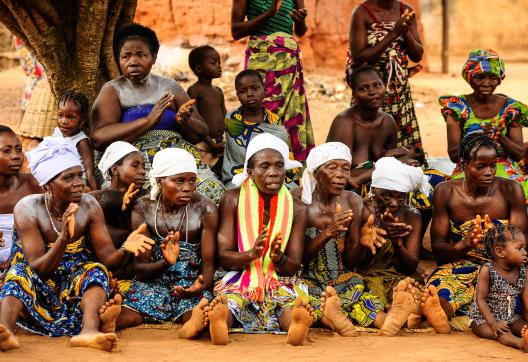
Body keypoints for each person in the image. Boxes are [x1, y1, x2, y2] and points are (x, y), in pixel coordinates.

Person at [0, 137, 155, 352]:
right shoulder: (27, 208)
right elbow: (38, 269)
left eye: (79, 175)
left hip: (74, 272)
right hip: (36, 274)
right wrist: (63, 239)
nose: (79, 183)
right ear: (48, 184)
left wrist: (124, 248)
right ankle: (4, 330)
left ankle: (89, 331)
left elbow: (107, 258)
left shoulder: (89, 205)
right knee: (17, 275)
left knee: (96, 272)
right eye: (68, 178)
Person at [214, 133, 356, 346]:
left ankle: (295, 325)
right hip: (241, 274)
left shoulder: (296, 207)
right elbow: (223, 257)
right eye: (265, 167)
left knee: (288, 303)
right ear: (251, 172)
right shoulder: (232, 199)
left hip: (278, 277)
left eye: (279, 166)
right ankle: (220, 321)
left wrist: (278, 258)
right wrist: (252, 254)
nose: (273, 173)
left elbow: (293, 266)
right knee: (233, 300)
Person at [293, 143, 422, 337]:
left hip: (341, 276)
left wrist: (362, 243)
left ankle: (391, 320)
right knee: (307, 302)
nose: (340, 175)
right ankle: (334, 320)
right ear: (315, 171)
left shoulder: (352, 200)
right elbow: (297, 259)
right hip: (305, 277)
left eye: (345, 169)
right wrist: (327, 233)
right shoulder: (297, 199)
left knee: (358, 296)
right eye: (332, 168)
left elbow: (351, 261)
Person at [91, 23, 224, 203]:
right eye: (126, 56)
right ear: (118, 59)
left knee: (210, 193)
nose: (133, 62)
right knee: (143, 200)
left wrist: (185, 121)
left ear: (154, 57)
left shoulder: (169, 87)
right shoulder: (113, 90)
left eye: (141, 55)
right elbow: (98, 138)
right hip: (136, 163)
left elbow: (201, 132)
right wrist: (147, 120)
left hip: (178, 156)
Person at [106, 148, 217, 340]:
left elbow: (208, 265)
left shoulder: (205, 208)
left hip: (190, 283)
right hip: (154, 279)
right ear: (159, 181)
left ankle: (194, 323)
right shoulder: (143, 209)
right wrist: (165, 262)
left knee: (195, 307)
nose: (187, 187)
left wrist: (199, 285)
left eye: (192, 180)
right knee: (135, 309)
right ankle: (111, 320)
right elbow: (140, 269)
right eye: (179, 180)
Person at [424, 133, 527, 335]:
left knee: (512, 295)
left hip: (506, 266)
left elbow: (524, 242)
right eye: (480, 166)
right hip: (463, 265)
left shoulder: (510, 190)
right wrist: (465, 243)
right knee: (440, 291)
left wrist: (499, 242)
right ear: (463, 164)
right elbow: (438, 248)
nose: (489, 172)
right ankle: (435, 312)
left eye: (493, 165)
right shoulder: (446, 192)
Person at [231, 0, 314, 161]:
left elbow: (300, 31)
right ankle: (260, 163)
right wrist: (269, 14)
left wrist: (300, 21)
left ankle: (291, 170)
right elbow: (236, 31)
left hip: (288, 61)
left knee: (291, 115)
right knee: (260, 110)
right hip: (260, 58)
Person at [440, 49, 528, 199]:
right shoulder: (457, 107)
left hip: (504, 168)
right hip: (470, 168)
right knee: (453, 194)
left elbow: (519, 154)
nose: (486, 83)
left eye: (492, 78)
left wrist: (500, 138)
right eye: (479, 77)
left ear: (499, 79)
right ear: (469, 78)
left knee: (519, 191)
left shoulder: (511, 109)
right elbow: (454, 154)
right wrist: (477, 139)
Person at [347, 0, 423, 147]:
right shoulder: (361, 12)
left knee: (401, 137)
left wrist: (405, 30)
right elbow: (359, 56)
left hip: (399, 89)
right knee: (368, 134)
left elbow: (417, 55)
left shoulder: (406, 10)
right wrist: (394, 33)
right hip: (370, 86)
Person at [326, 66, 408, 194]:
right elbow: (337, 175)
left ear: (384, 86)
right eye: (364, 88)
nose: (372, 92)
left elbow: (389, 161)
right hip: (345, 192)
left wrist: (402, 156)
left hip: (377, 187)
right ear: (354, 94)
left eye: (377, 85)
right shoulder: (345, 122)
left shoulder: (388, 122)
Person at [358, 157, 427, 307]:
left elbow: (410, 267)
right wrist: (379, 233)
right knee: (372, 298)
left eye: (401, 197)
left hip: (399, 276)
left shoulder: (412, 216)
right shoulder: (361, 210)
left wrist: (397, 244)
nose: (395, 203)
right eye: (386, 196)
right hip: (364, 275)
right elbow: (354, 262)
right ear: (373, 189)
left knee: (415, 295)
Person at [222, 70, 298, 188]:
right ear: (237, 96)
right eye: (243, 91)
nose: (250, 94)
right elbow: (238, 154)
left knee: (295, 196)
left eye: (255, 88)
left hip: (273, 176)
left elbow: (283, 155)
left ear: (264, 91)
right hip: (240, 178)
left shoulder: (274, 121)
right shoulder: (232, 119)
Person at [91, 141, 147, 281]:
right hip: (106, 266)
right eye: (135, 165)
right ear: (115, 169)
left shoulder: (146, 196)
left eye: (143, 166)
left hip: (138, 269)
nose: (142, 171)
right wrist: (120, 205)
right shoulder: (96, 197)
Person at [468, 224, 528, 352]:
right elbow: (481, 299)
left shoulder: (523, 271)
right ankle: (521, 344)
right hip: (484, 320)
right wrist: (494, 323)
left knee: (524, 328)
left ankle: (525, 336)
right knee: (502, 334)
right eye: (519, 248)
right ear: (500, 251)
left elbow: (526, 299)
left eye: (525, 248)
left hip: (510, 317)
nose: (525, 253)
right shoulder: (488, 270)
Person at [0, 126, 43, 273]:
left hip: (26, 262)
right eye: (7, 151)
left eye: (18, 149)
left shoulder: (32, 185)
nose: (15, 155)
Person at [188, 45, 227, 177]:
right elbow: (194, 120)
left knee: (221, 172)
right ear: (199, 68)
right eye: (213, 63)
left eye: (219, 62)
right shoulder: (194, 90)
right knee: (206, 174)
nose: (219, 66)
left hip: (220, 141)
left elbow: (225, 116)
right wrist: (210, 144)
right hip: (204, 144)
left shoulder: (218, 91)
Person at [52, 90, 98, 191]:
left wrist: (96, 195)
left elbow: (89, 171)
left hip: (76, 178)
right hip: (58, 173)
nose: (63, 121)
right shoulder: (56, 132)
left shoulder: (81, 141)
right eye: (60, 115)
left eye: (71, 117)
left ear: (82, 119)